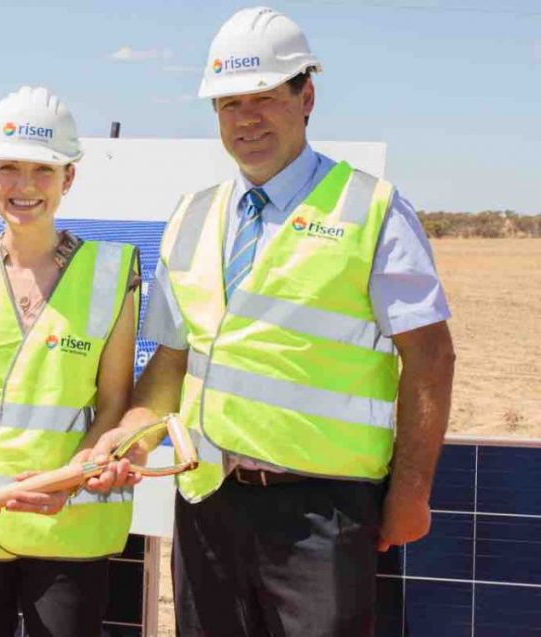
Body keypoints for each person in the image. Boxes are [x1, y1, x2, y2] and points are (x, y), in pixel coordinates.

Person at [88, 8, 456, 636]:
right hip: (208, 503)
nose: (246, 119)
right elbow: (174, 360)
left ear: (305, 97)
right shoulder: (193, 216)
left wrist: (411, 492)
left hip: (324, 510)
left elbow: (430, 358)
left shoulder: (372, 210)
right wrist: (131, 439)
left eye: (263, 98)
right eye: (229, 104)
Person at [0, 86, 139, 637]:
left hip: (68, 523)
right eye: (10, 169)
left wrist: (72, 477)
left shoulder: (112, 272)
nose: (25, 186)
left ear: (69, 178)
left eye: (44, 171)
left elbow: (115, 402)